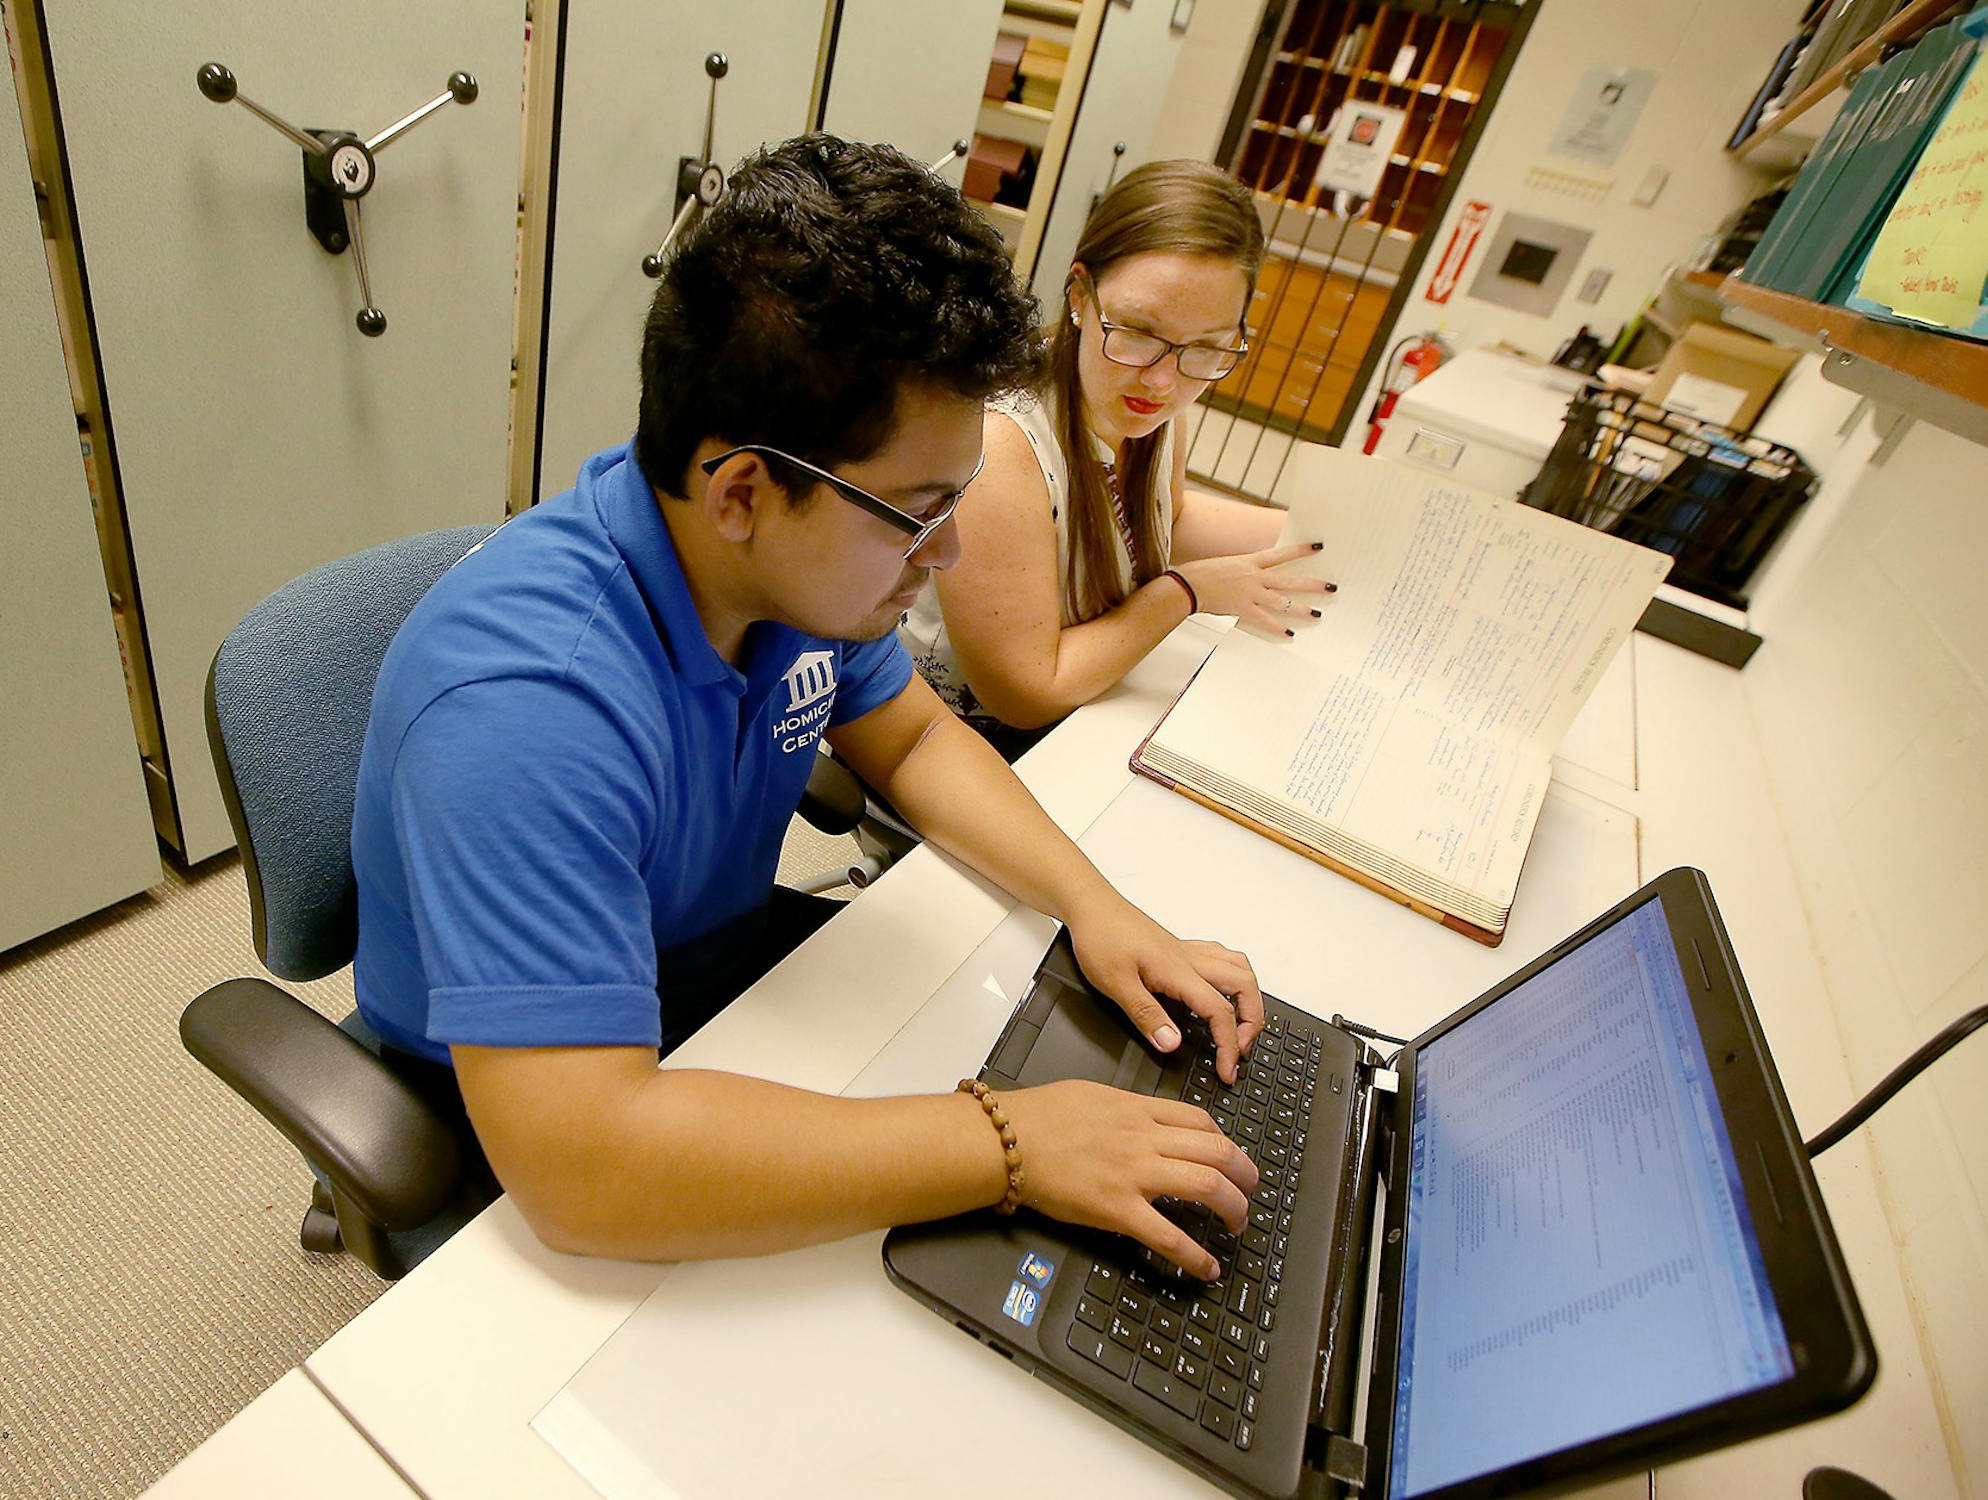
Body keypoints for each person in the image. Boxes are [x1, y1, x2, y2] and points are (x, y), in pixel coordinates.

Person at [348, 136, 1263, 1281]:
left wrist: (1095, 903)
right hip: (522, 1087)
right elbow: (583, 1170)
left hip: (712, 976)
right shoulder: (526, 710)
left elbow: (917, 733)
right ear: (744, 491)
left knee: (1028, 1069)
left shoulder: (778, 571)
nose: (953, 550)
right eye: (919, 512)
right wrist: (1010, 1146)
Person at [900, 160, 1333, 758]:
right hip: (967, 740)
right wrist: (1182, 593)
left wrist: (1329, 539)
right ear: (1080, 295)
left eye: (1206, 348)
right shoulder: (1003, 443)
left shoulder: (1153, 388)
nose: (1162, 380)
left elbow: (1165, 519)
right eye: (1137, 330)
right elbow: (1027, 694)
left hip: (1086, 705)